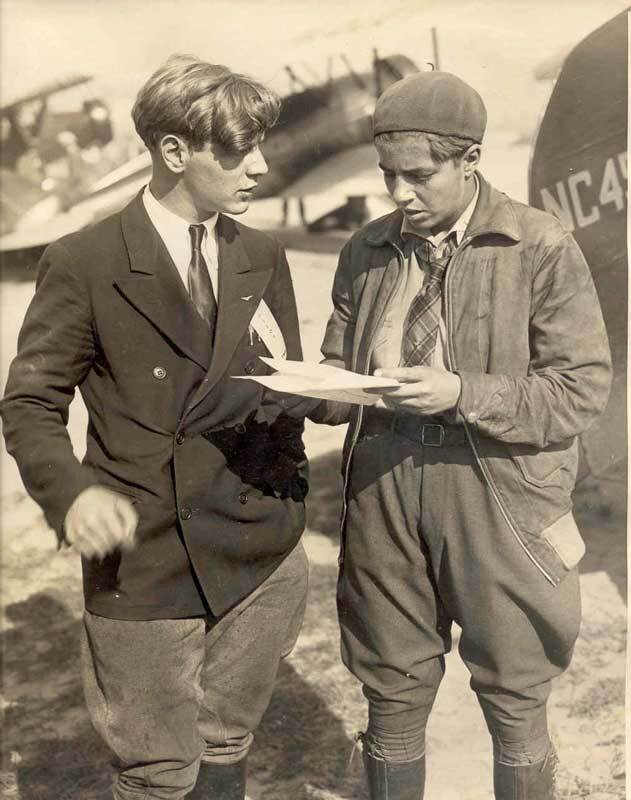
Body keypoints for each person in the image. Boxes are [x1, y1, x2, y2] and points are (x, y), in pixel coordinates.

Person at [284, 71, 612, 799]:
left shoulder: (538, 245)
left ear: (469, 160)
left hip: (499, 494)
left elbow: (580, 389)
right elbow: (344, 361)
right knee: (390, 686)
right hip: (383, 493)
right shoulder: (366, 249)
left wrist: (461, 393)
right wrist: (318, 393)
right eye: (387, 174)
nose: (398, 192)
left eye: (419, 175)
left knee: (516, 690)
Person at [2, 55, 309, 800]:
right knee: (156, 772)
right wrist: (71, 494)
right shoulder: (85, 259)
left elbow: (285, 385)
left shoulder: (260, 254)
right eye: (239, 150)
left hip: (257, 547)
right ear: (174, 151)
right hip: (144, 556)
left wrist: (340, 394)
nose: (261, 166)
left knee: (226, 744)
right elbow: (31, 402)